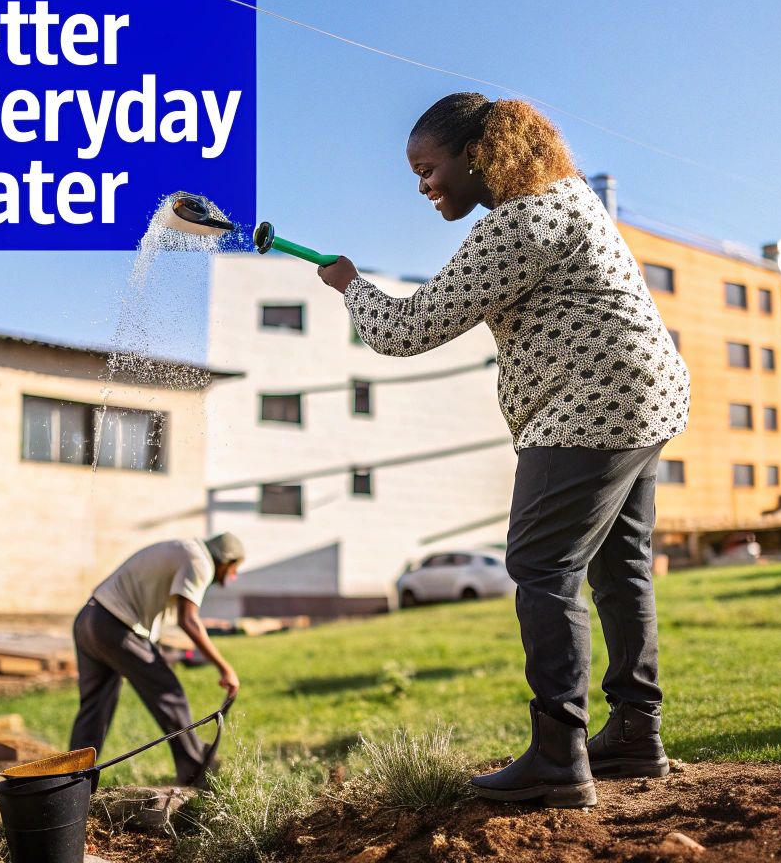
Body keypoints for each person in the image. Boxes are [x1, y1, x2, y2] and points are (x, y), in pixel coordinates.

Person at [317, 93, 690, 809]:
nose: (423, 186)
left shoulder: (521, 223)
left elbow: (406, 329)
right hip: (647, 395)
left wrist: (350, 286)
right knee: (619, 569)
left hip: (591, 404)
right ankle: (637, 734)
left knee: (541, 565)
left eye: (428, 168)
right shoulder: (566, 197)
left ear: (474, 155)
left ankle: (560, 754)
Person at [69, 533, 245, 787]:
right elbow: (189, 619)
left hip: (89, 619)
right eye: (232, 569)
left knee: (93, 712)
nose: (229, 578)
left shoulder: (182, 548)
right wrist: (225, 667)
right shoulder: (200, 562)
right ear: (225, 560)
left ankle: (72, 788)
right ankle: (197, 773)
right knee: (170, 694)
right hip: (115, 627)